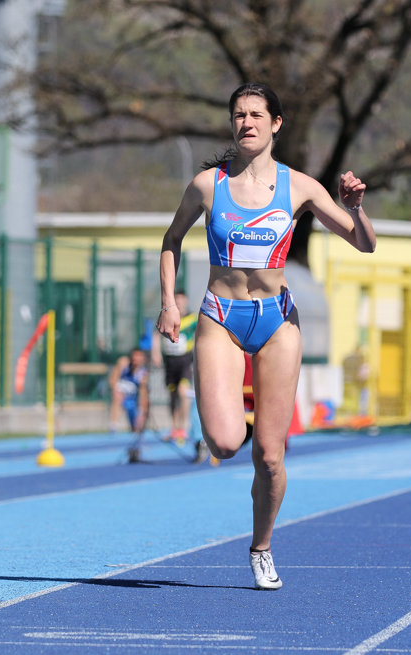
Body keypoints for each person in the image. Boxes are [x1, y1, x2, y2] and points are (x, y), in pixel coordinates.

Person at [157, 83, 376, 590]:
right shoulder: (207, 186)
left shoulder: (300, 187)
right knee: (225, 442)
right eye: (239, 115)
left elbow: (363, 244)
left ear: (276, 123)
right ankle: (229, 429)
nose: (247, 123)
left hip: (277, 322)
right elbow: (172, 239)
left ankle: (261, 547)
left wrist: (356, 207)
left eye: (257, 115)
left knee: (270, 458)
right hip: (220, 319)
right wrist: (169, 302)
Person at [152, 291, 197, 442]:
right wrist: (155, 353)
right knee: (172, 395)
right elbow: (156, 334)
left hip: (185, 360)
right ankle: (174, 427)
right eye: (176, 300)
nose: (179, 303)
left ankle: (184, 426)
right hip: (170, 361)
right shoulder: (166, 315)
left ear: (186, 302)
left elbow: (202, 334)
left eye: (182, 300)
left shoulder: (193, 319)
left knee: (183, 392)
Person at [108, 348, 149, 433]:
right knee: (117, 398)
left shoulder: (143, 373)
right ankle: (114, 426)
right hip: (121, 395)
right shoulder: (123, 363)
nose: (136, 358)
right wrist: (115, 390)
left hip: (133, 399)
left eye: (139, 356)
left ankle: (136, 426)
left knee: (135, 428)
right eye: (135, 355)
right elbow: (113, 378)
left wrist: (141, 413)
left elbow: (143, 394)